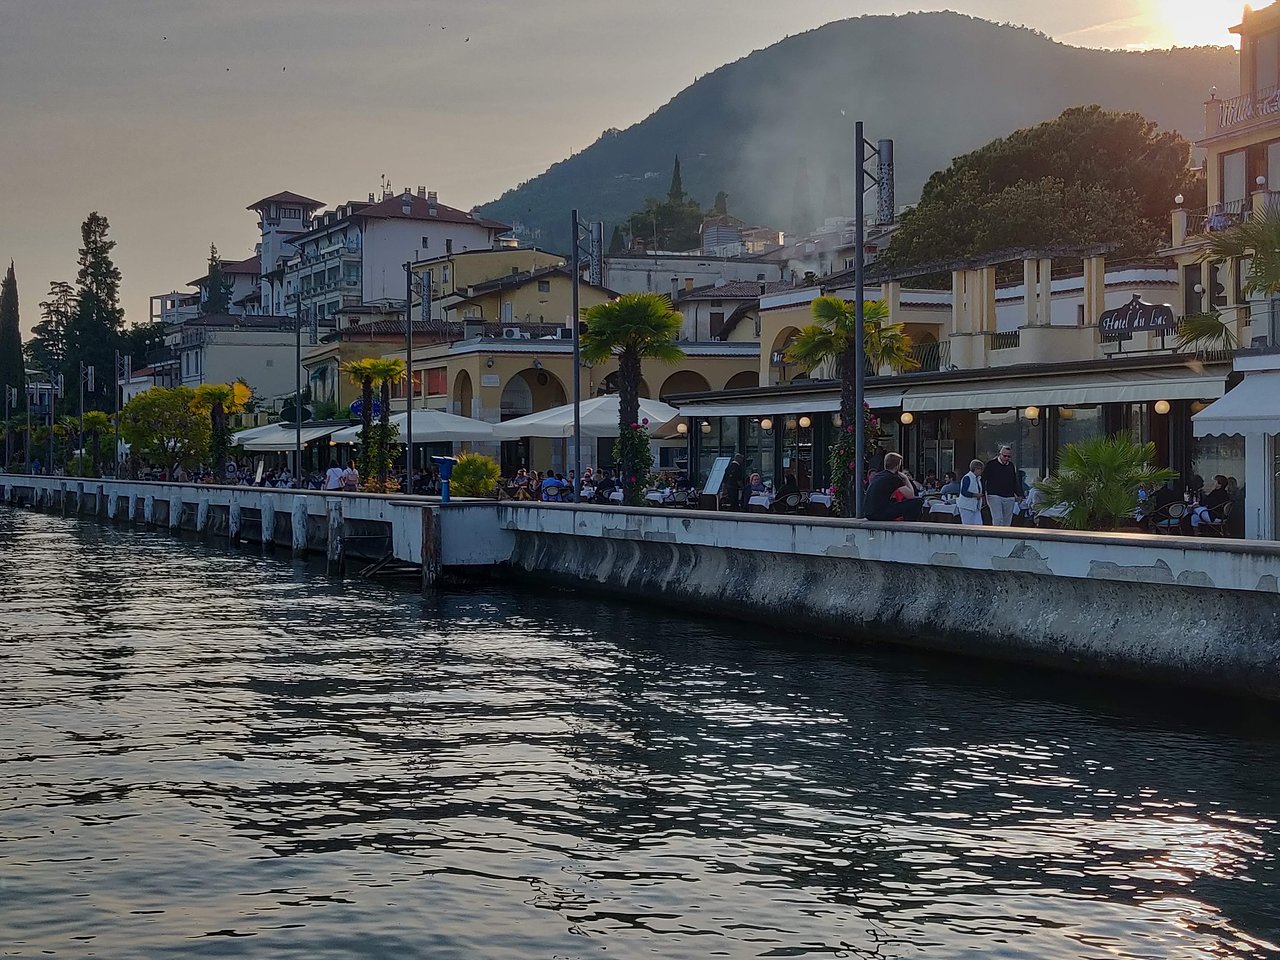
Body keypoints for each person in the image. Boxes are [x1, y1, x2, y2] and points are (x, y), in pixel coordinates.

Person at [865, 452, 924, 521]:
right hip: (879, 513)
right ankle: (909, 522)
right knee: (918, 501)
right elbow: (911, 495)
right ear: (897, 466)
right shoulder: (893, 477)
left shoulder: (878, 476)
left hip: (869, 513)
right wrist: (906, 479)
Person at [983, 444, 1022, 526]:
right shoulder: (991, 464)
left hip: (1009, 496)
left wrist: (1019, 493)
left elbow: (1014, 480)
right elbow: (984, 479)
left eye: (1009, 456)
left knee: (1007, 520)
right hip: (994, 495)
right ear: (1000, 454)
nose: (1007, 458)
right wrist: (983, 493)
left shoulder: (1011, 466)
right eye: (1005, 456)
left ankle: (1005, 536)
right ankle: (996, 537)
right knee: (997, 518)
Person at [957, 459, 986, 526]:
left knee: (979, 525)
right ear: (976, 469)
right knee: (968, 526)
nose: (982, 471)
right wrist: (975, 495)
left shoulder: (978, 478)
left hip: (975, 506)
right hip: (966, 507)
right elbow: (964, 492)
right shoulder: (967, 477)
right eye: (981, 469)